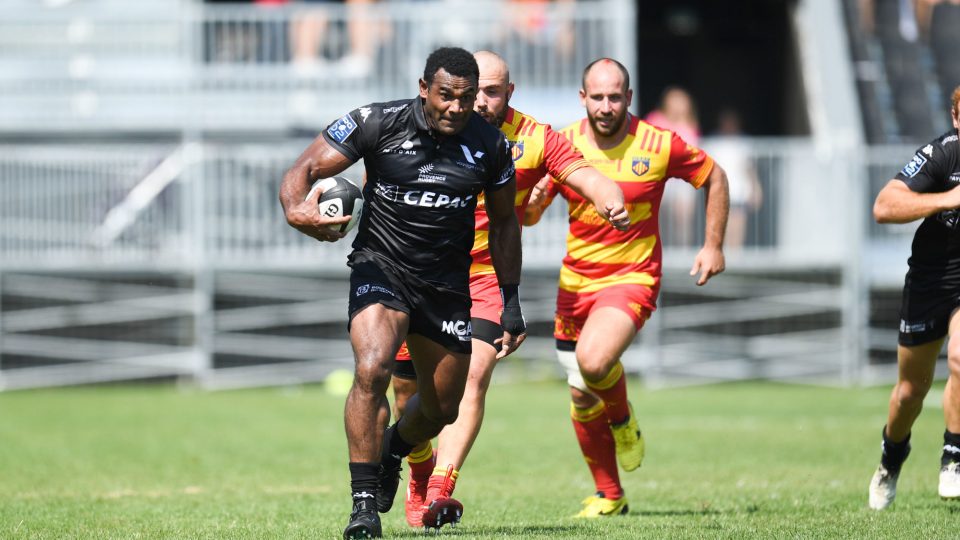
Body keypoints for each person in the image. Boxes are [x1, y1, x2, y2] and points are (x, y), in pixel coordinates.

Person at [279, 47, 529, 539]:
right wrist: (296, 211)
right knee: (372, 369)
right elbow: (304, 169)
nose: (456, 108)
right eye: (445, 96)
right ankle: (364, 506)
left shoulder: (491, 146)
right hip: (381, 266)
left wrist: (512, 301)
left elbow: (504, 223)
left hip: (445, 284)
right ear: (423, 88)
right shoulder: (377, 122)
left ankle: (394, 449)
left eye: (466, 98)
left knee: (442, 409)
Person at [390, 50, 630, 530]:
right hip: (419, 272)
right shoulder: (425, 124)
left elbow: (585, 174)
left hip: (485, 278)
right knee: (406, 394)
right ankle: (418, 471)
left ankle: (441, 488)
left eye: (492, 91)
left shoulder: (536, 138)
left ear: (509, 93)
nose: (479, 101)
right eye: (474, 89)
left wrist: (610, 199)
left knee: (470, 376)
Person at [525, 58, 729, 517]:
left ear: (629, 98)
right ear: (583, 99)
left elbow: (715, 176)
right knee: (580, 393)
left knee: (594, 362)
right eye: (597, 97)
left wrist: (713, 245)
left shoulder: (658, 143)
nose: (606, 105)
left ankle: (622, 418)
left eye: (615, 96)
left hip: (632, 277)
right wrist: (534, 206)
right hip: (574, 282)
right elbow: (527, 217)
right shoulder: (563, 143)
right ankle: (610, 496)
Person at [868, 84, 960, 510]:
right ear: (957, 119)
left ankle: (953, 457)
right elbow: (885, 206)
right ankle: (890, 460)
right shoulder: (943, 154)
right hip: (929, 281)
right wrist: (947, 199)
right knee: (909, 392)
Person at [644, 86, 702, 247]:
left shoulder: (690, 124)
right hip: (660, 177)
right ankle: (660, 249)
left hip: (683, 180)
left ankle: (682, 250)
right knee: (658, 216)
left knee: (683, 217)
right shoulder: (655, 119)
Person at [702, 108, 762, 250]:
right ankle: (720, 253)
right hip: (718, 190)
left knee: (738, 224)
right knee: (720, 224)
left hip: (739, 190)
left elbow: (750, 168)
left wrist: (756, 188)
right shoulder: (712, 141)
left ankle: (735, 255)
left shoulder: (744, 141)